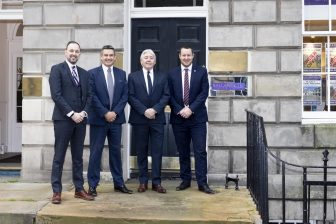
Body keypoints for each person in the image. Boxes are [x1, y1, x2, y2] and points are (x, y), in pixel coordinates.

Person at [49, 41, 94, 204]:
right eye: (71, 51)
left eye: (77, 51)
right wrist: (71, 113)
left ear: (79, 54)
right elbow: (57, 95)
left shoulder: (84, 73)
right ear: (65, 52)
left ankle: (79, 189)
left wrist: (83, 113)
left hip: (80, 121)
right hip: (63, 120)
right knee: (59, 156)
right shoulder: (57, 70)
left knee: (78, 156)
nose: (74, 53)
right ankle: (56, 191)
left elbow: (90, 96)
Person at [168, 46, 215, 194]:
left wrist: (191, 108)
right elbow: (168, 95)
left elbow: (203, 93)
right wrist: (179, 109)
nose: (186, 58)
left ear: (193, 56)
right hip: (179, 118)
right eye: (184, 55)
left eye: (189, 55)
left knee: (200, 151)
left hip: (197, 119)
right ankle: (185, 180)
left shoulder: (201, 72)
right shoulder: (172, 74)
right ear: (179, 56)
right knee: (183, 151)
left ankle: (202, 183)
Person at [87, 45, 132, 196]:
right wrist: (105, 113)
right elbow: (92, 96)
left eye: (111, 55)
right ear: (101, 57)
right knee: (95, 153)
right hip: (98, 120)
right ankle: (92, 185)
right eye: (105, 55)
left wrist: (115, 113)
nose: (108, 58)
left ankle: (118, 183)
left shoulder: (121, 74)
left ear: (115, 57)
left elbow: (125, 96)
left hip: (116, 120)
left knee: (115, 153)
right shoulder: (92, 74)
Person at [128, 49, 170, 193]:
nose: (148, 60)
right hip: (139, 119)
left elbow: (166, 96)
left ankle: (157, 182)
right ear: (141, 61)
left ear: (155, 61)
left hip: (157, 119)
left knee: (157, 152)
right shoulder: (133, 77)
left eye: (151, 58)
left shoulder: (162, 77)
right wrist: (144, 111)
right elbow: (131, 97)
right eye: (145, 57)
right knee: (141, 151)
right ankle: (143, 181)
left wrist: (155, 110)